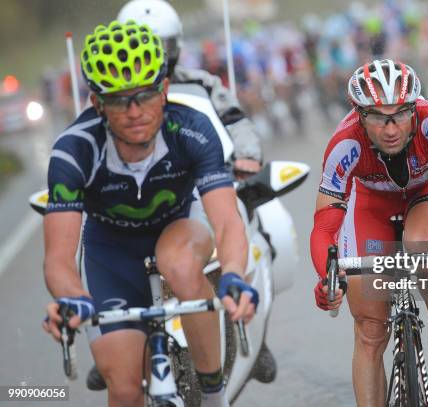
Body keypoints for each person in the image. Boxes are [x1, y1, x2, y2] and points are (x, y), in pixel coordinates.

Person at [42, 20, 258, 407]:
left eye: (146, 94)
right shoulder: (73, 151)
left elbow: (227, 222)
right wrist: (71, 298)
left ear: (165, 90)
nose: (135, 110)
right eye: (120, 99)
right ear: (97, 103)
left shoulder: (192, 130)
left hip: (179, 225)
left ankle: (213, 395)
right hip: (110, 252)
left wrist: (234, 276)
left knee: (176, 260)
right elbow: (59, 258)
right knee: (124, 390)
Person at [310, 59, 428, 404]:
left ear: (415, 108)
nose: (391, 128)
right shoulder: (344, 144)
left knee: (420, 244)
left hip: (427, 194)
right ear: (359, 115)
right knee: (369, 331)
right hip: (371, 206)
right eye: (378, 117)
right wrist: (327, 278)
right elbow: (324, 226)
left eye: (400, 113)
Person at [117, 0, 262, 175]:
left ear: (177, 44)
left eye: (163, 47)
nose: (154, 58)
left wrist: (246, 156)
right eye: (140, 49)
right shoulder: (109, 95)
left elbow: (235, 121)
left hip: (207, 178)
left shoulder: (203, 83)